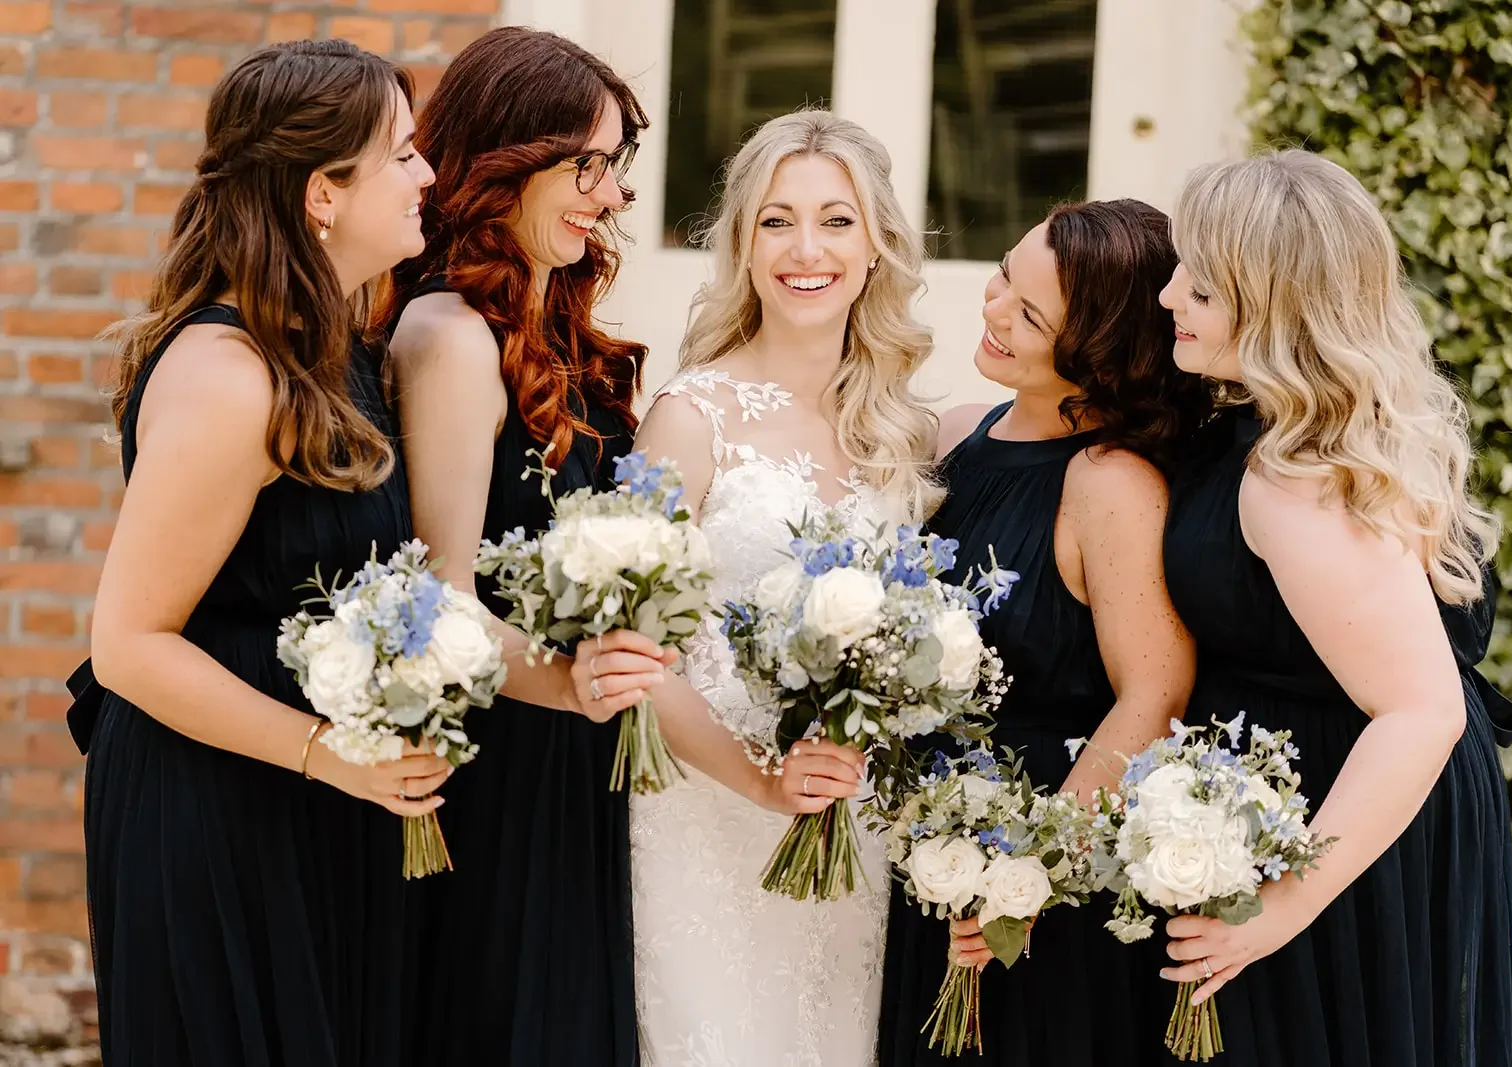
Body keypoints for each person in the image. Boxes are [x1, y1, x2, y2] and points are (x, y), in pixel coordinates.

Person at [387, 30, 836, 1066]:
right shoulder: (450, 335)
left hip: (578, 771)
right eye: (587, 165)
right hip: (499, 773)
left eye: (614, 169)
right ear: (507, 153)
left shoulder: (552, 331)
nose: (613, 196)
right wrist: (571, 681)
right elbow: (433, 597)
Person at [77, 39, 441, 1066]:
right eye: (404, 154)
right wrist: (333, 756)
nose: (427, 175)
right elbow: (130, 644)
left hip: (312, 802)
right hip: (216, 810)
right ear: (324, 192)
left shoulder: (335, 352)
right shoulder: (231, 375)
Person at [1156, 149, 1512, 1066]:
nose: (1167, 297)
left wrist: (1278, 907)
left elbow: (1421, 711)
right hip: (1326, 785)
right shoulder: (1282, 420)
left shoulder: (1299, 478)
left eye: (1198, 290)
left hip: (1350, 815)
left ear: (1274, 308)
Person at [618, 109, 942, 1065]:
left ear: (878, 241)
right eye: (776, 221)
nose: (808, 249)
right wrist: (759, 779)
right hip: (708, 820)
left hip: (852, 825)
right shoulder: (689, 418)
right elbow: (635, 652)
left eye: (837, 221)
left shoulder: (906, 430)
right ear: (743, 247)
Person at [877, 200, 1209, 1065]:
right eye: (1002, 277)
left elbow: (1156, 691)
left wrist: (1024, 872)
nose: (991, 310)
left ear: (1098, 351)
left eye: (1029, 314)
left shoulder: (1111, 483)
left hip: (1041, 892)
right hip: (931, 864)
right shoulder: (957, 438)